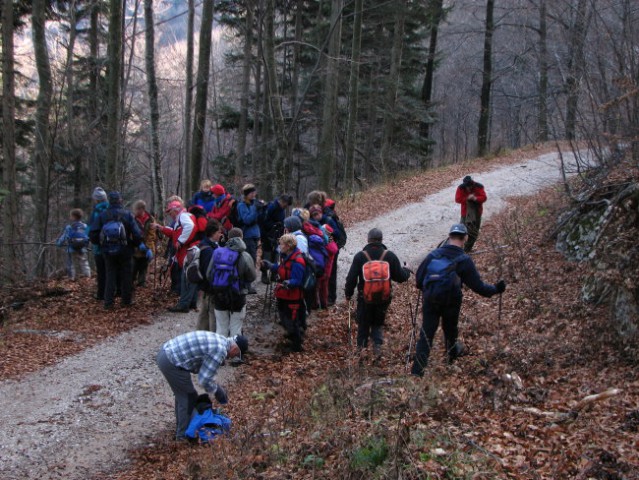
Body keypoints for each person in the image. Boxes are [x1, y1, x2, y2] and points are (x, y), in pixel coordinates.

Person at [411, 223, 506, 377]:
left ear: (449, 237)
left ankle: (417, 373)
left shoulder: (433, 255)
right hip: (451, 301)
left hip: (430, 300)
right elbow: (479, 287)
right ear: (465, 238)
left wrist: (428, 290)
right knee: (450, 331)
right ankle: (450, 363)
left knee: (426, 335)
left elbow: (419, 279)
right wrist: (496, 289)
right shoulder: (464, 260)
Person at [156, 332, 248, 441]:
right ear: (235, 349)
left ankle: (181, 431)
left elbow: (201, 367)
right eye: (236, 355)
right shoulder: (220, 350)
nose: (233, 357)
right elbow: (204, 379)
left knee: (183, 397)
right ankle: (182, 438)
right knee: (188, 399)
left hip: (167, 353)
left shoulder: (220, 340)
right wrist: (218, 391)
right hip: (171, 360)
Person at [344, 228, 411, 361]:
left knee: (363, 324)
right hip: (383, 299)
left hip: (364, 298)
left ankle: (361, 352)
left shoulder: (360, 256)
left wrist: (348, 294)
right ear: (381, 240)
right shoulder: (389, 256)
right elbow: (401, 277)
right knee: (377, 323)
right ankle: (377, 350)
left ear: (368, 240)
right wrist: (407, 270)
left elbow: (351, 278)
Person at [89, 191, 144, 309]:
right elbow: (137, 234)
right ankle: (126, 301)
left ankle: (108, 303)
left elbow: (92, 234)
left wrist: (102, 244)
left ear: (109, 201)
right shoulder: (127, 215)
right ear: (120, 201)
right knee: (126, 275)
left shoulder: (102, 215)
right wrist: (135, 244)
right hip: (125, 250)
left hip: (108, 251)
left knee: (110, 275)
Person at [261, 234, 306, 352]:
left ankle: (296, 346)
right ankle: (291, 337)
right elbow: (281, 268)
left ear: (288, 246)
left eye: (281, 244)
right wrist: (270, 266)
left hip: (293, 297)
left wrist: (287, 283)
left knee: (291, 321)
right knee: (284, 319)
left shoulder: (298, 260)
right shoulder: (286, 257)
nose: (279, 246)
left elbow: (297, 280)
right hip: (283, 295)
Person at [153, 200, 200, 312]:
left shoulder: (182, 216)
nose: (170, 214)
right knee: (191, 276)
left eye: (170, 212)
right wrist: (161, 228)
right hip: (190, 250)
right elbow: (174, 232)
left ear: (175, 210)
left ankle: (183, 305)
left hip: (188, 251)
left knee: (186, 278)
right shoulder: (183, 217)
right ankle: (192, 302)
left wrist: (180, 241)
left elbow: (190, 226)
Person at [212, 228, 256, 339]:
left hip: (219, 295)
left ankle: (220, 354)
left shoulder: (217, 253)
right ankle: (235, 355)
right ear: (241, 238)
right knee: (235, 329)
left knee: (221, 328)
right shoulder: (244, 256)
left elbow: (209, 274)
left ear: (228, 238)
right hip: (238, 296)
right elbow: (252, 277)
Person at [196, 219, 224, 332]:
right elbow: (209, 272)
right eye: (219, 232)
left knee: (204, 314)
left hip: (204, 287)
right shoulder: (209, 251)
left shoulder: (204, 245)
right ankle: (212, 338)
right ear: (213, 233)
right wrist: (215, 288)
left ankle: (200, 336)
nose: (220, 234)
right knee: (212, 315)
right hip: (209, 288)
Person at [260, 194, 293, 283]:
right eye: (285, 204)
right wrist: (274, 225)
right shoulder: (271, 207)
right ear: (282, 201)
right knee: (267, 254)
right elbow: (265, 221)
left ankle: (274, 274)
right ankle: (264, 274)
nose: (285, 206)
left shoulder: (281, 209)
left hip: (277, 234)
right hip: (267, 234)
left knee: (276, 254)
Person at [237, 183, 262, 294]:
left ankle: (247, 284)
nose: (253, 194)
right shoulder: (242, 205)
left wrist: (261, 209)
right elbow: (247, 219)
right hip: (247, 235)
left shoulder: (253, 204)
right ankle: (246, 285)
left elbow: (260, 219)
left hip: (254, 235)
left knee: (252, 259)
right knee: (248, 260)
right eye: (251, 193)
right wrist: (255, 209)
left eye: (254, 192)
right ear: (246, 194)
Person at [56, 208, 91, 281]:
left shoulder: (69, 227)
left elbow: (64, 237)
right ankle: (87, 276)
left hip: (71, 248)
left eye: (71, 216)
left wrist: (59, 243)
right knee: (84, 262)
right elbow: (87, 237)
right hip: (82, 248)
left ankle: (71, 277)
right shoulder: (85, 226)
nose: (70, 217)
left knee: (71, 264)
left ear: (74, 217)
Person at [455, 175, 487, 252]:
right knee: (461, 231)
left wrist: (475, 198)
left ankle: (467, 250)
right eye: (467, 187)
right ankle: (458, 249)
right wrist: (467, 198)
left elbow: (484, 197)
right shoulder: (461, 188)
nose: (468, 188)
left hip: (477, 213)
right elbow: (457, 199)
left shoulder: (479, 186)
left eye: (470, 186)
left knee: (473, 233)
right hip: (465, 213)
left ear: (472, 184)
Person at [89, 187, 109, 300]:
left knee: (101, 271)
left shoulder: (96, 212)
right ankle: (112, 292)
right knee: (110, 270)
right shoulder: (110, 209)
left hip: (98, 247)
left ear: (96, 200)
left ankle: (101, 294)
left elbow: (90, 229)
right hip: (112, 246)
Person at [131, 200, 157, 288]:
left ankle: (141, 283)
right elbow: (131, 234)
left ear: (142, 209)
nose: (135, 212)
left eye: (137, 210)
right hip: (135, 248)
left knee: (143, 266)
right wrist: (138, 244)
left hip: (146, 248)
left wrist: (148, 248)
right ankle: (131, 282)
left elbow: (152, 235)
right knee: (133, 266)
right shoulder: (133, 219)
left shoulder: (151, 219)